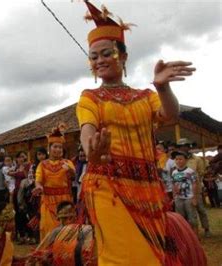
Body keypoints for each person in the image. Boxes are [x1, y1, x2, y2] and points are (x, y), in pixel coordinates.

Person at [76, 1, 197, 264]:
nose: (100, 61)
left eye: (106, 53)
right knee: (119, 255)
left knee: (150, 256)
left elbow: (170, 115)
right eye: (94, 57)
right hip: (106, 184)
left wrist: (162, 88)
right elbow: (87, 129)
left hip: (147, 190)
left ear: (123, 56)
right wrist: (91, 151)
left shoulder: (145, 96)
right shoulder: (90, 98)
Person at [32, 125, 75, 241]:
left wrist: (70, 170)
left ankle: (65, 254)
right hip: (48, 200)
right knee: (48, 229)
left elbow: (74, 176)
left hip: (64, 201)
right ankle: (48, 256)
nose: (58, 150)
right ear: (49, 149)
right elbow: (38, 180)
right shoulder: (42, 164)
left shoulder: (67, 163)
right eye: (55, 147)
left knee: (66, 230)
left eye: (60, 147)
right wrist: (39, 188)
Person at [30, 201, 95, 266]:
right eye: (64, 218)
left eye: (68, 218)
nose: (68, 220)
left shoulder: (85, 229)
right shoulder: (55, 232)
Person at [177, 138, 211, 237]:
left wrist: (196, 184)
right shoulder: (177, 159)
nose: (184, 148)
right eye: (181, 146)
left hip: (196, 189)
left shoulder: (197, 159)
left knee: (201, 209)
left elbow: (201, 173)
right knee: (189, 211)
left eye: (185, 146)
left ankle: (206, 228)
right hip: (183, 191)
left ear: (188, 147)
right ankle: (190, 232)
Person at [171, 151, 198, 235]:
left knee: (192, 218)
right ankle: (185, 235)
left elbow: (194, 184)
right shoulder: (174, 172)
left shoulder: (190, 171)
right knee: (180, 218)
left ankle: (195, 235)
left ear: (186, 160)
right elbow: (174, 185)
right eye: (177, 159)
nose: (178, 161)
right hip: (179, 198)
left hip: (189, 197)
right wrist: (174, 197)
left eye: (181, 159)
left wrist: (194, 197)